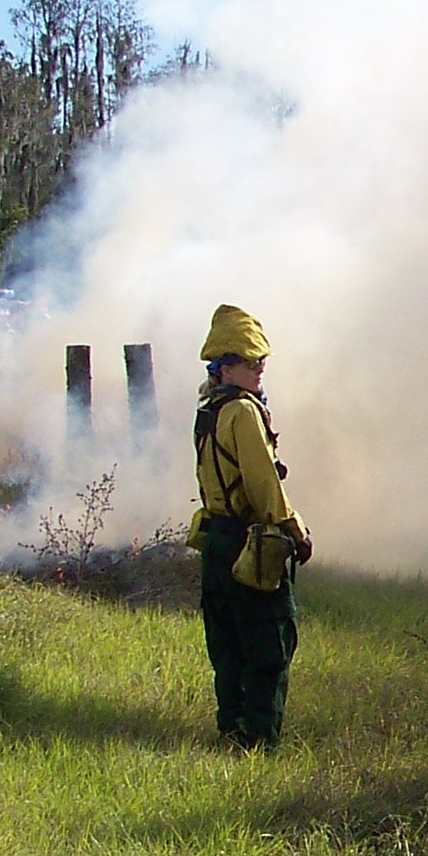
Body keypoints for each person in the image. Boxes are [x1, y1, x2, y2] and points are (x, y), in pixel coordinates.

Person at [190, 305, 308, 748]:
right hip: (250, 543)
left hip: (218, 542)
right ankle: (260, 741)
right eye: (250, 362)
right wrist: (295, 531)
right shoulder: (243, 411)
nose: (260, 369)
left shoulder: (209, 410)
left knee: (228, 647)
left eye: (261, 362)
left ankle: (231, 729)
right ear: (225, 368)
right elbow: (263, 484)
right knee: (269, 644)